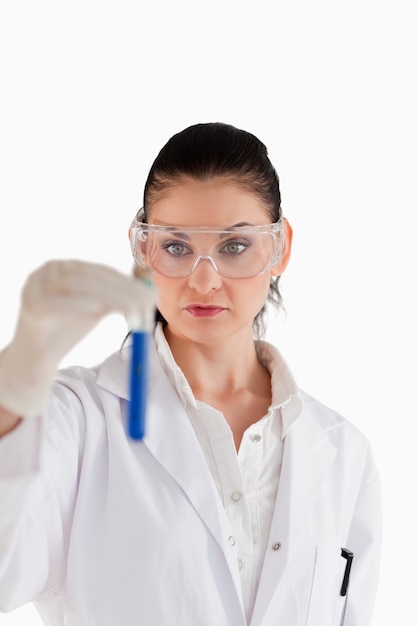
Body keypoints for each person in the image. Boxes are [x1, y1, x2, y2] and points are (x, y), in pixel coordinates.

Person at [0, 122, 381, 626]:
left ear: (280, 248)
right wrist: (15, 382)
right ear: (143, 250)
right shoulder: (77, 418)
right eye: (176, 247)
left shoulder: (342, 453)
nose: (204, 279)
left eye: (235, 246)